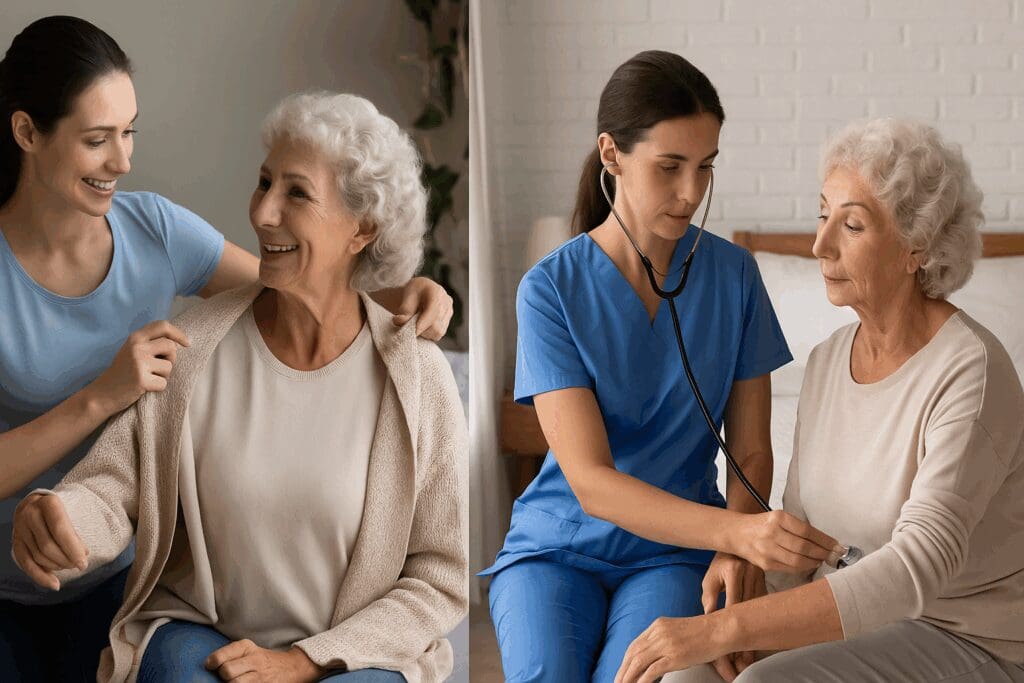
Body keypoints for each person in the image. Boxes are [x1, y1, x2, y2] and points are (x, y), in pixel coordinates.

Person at [0, 15, 451, 681]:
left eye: (129, 132)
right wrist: (79, 452)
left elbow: (303, 288)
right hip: (32, 574)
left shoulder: (153, 229)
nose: (123, 161)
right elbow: (116, 483)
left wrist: (404, 293)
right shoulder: (196, 349)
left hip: (113, 584)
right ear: (27, 132)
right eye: (98, 139)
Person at [616, 119, 1024, 683]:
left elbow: (916, 570)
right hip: (854, 621)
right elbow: (804, 534)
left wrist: (729, 631)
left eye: (851, 225)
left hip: (963, 634)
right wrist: (745, 609)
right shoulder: (829, 359)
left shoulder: (970, 371)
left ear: (917, 248)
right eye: (823, 214)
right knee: (687, 677)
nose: (820, 245)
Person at [482, 50, 844, 682]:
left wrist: (737, 544)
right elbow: (590, 482)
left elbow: (752, 450)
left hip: (672, 556)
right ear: (611, 155)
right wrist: (739, 534)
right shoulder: (549, 290)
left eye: (705, 167)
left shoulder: (734, 276)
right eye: (670, 167)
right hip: (555, 548)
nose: (690, 192)